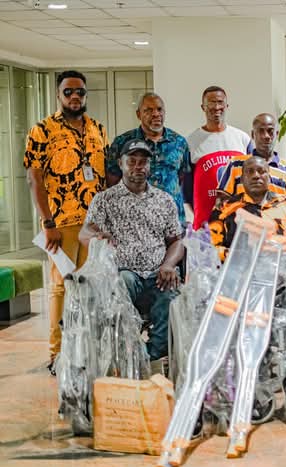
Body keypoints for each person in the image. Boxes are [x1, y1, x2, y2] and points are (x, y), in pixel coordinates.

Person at [24, 70, 108, 374]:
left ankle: (87, 349)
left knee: (91, 285)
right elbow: (34, 179)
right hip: (61, 224)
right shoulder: (42, 130)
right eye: (69, 92)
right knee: (62, 287)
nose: (75, 97)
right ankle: (57, 354)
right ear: (58, 95)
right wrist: (48, 223)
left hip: (94, 224)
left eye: (80, 92)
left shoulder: (97, 129)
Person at [79, 139, 184, 367]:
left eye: (143, 162)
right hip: (124, 273)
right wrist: (97, 237)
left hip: (157, 273)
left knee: (171, 295)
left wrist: (168, 265)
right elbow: (84, 233)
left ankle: (153, 358)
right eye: (132, 161)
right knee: (120, 284)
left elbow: (176, 241)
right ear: (121, 164)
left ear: (149, 165)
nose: (138, 167)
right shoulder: (105, 200)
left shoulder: (164, 200)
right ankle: (127, 354)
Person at [209, 155, 286, 265]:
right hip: (238, 272)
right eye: (250, 171)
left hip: (282, 272)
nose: (256, 176)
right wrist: (232, 255)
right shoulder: (224, 209)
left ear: (269, 178)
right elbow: (209, 246)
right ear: (242, 179)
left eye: (261, 171)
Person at [106, 92, 191, 224]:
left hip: (172, 219)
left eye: (159, 109)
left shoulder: (179, 142)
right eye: (149, 110)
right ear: (138, 114)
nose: (156, 114)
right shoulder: (122, 142)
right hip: (136, 221)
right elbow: (112, 180)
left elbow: (181, 177)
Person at [185, 86, 252, 229]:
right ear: (203, 107)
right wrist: (193, 217)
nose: (216, 107)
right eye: (211, 103)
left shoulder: (242, 139)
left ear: (227, 106)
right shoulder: (191, 141)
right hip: (206, 223)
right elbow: (187, 187)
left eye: (220, 102)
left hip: (240, 221)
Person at [216, 113, 286, 200]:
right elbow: (222, 199)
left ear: (277, 134)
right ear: (253, 135)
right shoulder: (235, 164)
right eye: (261, 131)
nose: (266, 136)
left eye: (270, 131)